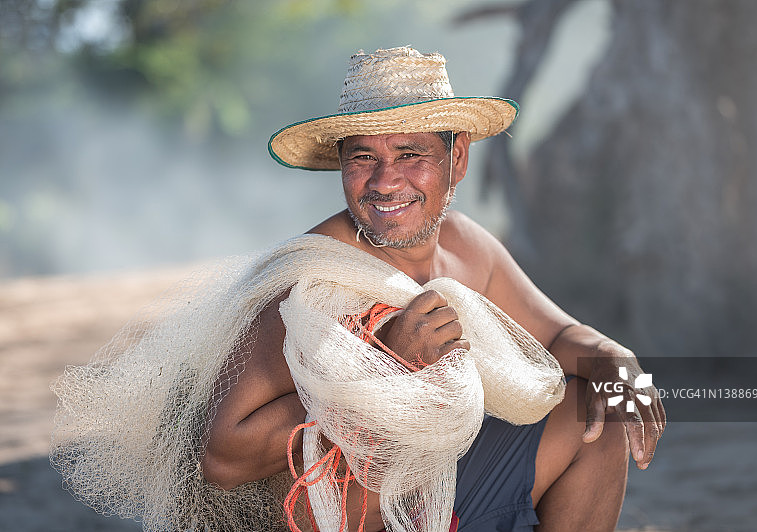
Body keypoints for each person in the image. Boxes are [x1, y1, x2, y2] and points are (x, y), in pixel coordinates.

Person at [200, 46, 665, 532]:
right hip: (349, 518)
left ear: (456, 158)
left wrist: (610, 355)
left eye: (410, 154)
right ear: (342, 166)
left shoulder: (466, 247)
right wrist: (384, 365)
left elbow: (553, 337)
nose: (385, 181)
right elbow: (223, 460)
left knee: (600, 410)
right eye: (363, 157)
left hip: (447, 489)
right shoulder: (311, 277)